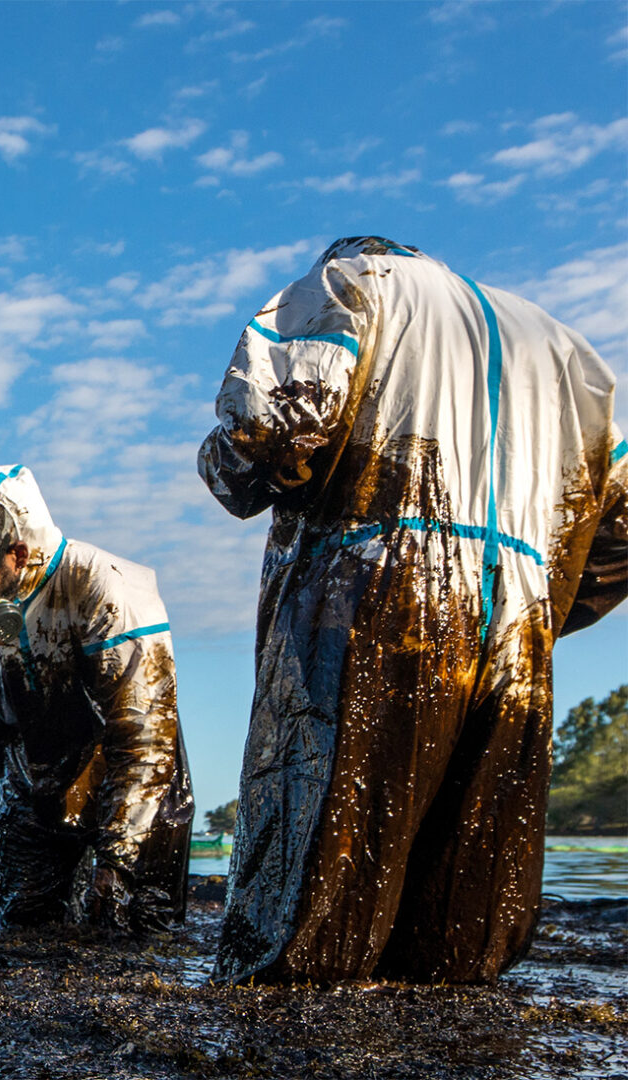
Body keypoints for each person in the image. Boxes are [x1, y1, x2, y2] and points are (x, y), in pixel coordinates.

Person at [199, 236, 628, 986]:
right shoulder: (568, 352)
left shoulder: (355, 282)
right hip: (519, 609)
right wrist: (543, 604)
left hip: (376, 588)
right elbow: (621, 528)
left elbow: (269, 433)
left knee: (318, 875)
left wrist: (221, 464)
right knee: (468, 904)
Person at [0, 463, 193, 935]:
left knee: (135, 930)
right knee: (25, 927)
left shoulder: (104, 587)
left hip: (129, 771)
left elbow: (145, 738)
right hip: (33, 776)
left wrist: (117, 857)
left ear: (18, 553)